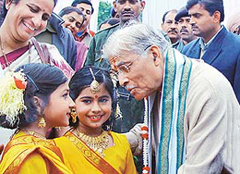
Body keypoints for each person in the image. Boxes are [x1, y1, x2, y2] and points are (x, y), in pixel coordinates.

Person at [103, 23, 240, 174]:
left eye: (125, 68)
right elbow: (160, 135)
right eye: (117, 73)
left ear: (154, 55)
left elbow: (199, 168)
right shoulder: (163, 84)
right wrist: (113, 143)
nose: (122, 81)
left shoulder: (206, 88)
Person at [54, 66, 137, 174]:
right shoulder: (58, 148)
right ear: (72, 103)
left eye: (103, 100)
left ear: (112, 102)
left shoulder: (122, 143)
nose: (96, 109)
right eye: (87, 101)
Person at [0, 63, 74, 173]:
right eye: (64, 95)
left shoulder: (32, 145)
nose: (72, 104)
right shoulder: (30, 156)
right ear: (37, 103)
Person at [182, 0, 240, 103]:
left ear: (216, 16)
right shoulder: (187, 50)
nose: (191, 21)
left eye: (197, 16)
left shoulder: (236, 47)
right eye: (190, 16)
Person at [0, 0, 74, 77]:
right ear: (9, 2)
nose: (37, 22)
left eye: (44, 18)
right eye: (33, 9)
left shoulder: (49, 58)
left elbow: (77, 87)